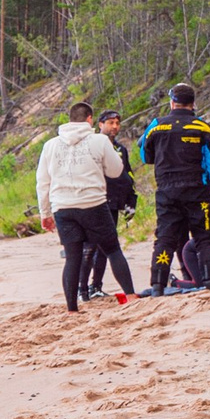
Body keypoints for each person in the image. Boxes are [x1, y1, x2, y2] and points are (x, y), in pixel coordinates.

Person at [36, 100, 135, 311]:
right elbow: (116, 171)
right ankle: (130, 295)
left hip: (62, 207)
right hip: (93, 203)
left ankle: (72, 307)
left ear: (70, 119)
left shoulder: (50, 145)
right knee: (113, 249)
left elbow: (43, 182)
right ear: (90, 119)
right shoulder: (99, 141)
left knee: (72, 257)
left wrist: (45, 213)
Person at [141, 82, 210, 292]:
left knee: (165, 238)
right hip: (196, 190)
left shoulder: (156, 125)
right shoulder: (203, 127)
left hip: (167, 191)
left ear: (172, 102)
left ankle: (157, 285)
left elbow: (145, 155)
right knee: (205, 237)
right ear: (193, 103)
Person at [82, 109, 140, 298]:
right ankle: (82, 288)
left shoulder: (120, 150)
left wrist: (131, 200)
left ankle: (96, 286)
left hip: (113, 203)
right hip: (92, 202)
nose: (115, 126)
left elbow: (127, 176)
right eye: (110, 123)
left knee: (106, 248)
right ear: (100, 124)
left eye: (117, 123)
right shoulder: (90, 146)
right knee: (89, 247)